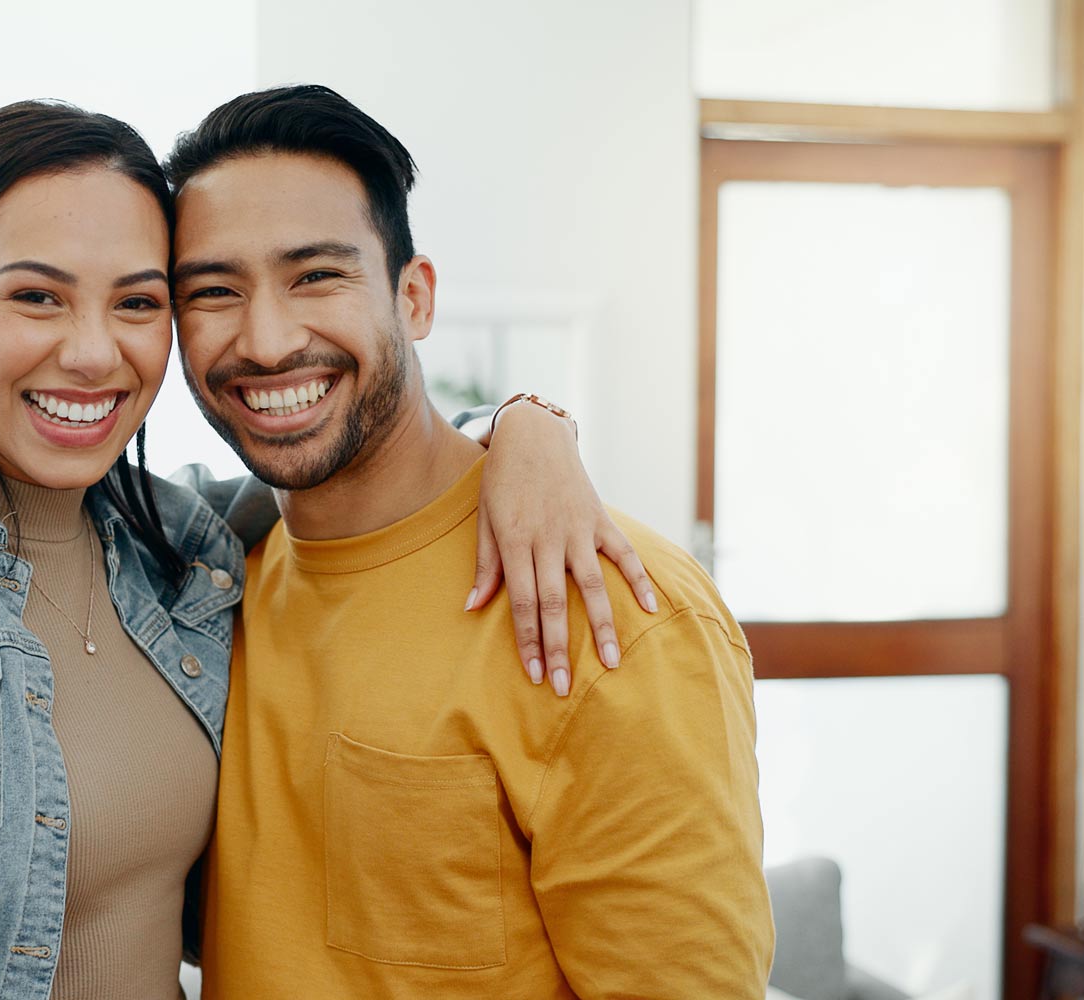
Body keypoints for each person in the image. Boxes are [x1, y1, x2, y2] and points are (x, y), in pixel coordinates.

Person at [0, 78, 644, 1000]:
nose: (94, 353)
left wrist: (525, 430)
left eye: (139, 302)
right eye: (34, 295)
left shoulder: (189, 548)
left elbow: (365, 473)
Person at [165, 87, 771, 997]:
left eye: (317, 276)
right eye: (214, 291)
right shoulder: (201, 577)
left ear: (414, 297)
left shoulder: (612, 606)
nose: (268, 338)